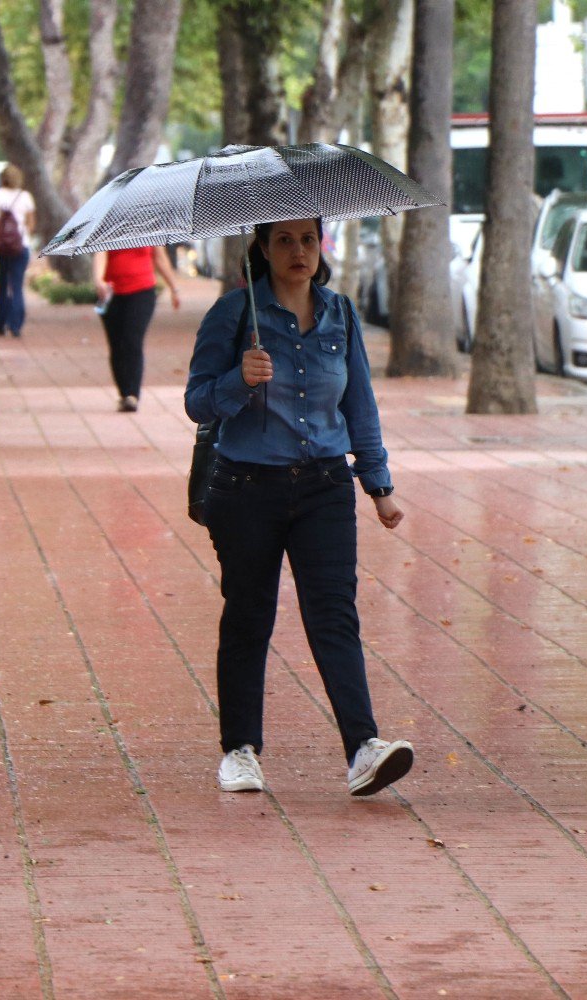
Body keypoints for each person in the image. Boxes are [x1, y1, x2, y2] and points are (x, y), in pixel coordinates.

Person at [184, 217, 414, 798]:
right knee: (249, 614)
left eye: (308, 240)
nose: (298, 251)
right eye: (283, 241)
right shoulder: (234, 314)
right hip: (246, 488)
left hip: (325, 487)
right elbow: (197, 402)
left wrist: (378, 485)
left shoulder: (340, 313)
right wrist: (239, 380)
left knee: (334, 614)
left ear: (321, 246)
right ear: (260, 249)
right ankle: (239, 750)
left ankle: (364, 747)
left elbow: (359, 401)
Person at [92, 246, 181, 411]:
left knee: (132, 340)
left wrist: (174, 288)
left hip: (142, 291)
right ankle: (124, 392)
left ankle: (132, 394)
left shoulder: (148, 227)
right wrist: (99, 280)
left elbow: (160, 258)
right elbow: (101, 254)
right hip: (111, 293)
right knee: (117, 344)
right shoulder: (108, 227)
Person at [0, 163, 36, 337]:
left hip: (1, 247)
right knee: (17, 285)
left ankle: (0, 322)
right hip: (21, 246)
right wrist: (22, 233)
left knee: (2, 284)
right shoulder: (25, 197)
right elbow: (31, 224)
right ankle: (16, 325)